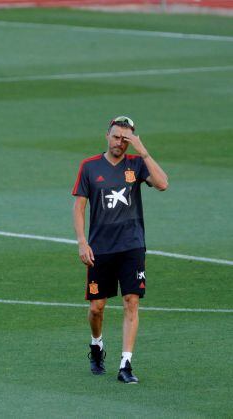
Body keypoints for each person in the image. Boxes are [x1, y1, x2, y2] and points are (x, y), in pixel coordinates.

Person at [71, 116, 169, 384]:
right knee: (97, 308)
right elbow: (79, 207)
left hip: (132, 246)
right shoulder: (89, 167)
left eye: (126, 139)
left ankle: (126, 364)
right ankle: (96, 344)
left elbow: (162, 184)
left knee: (131, 301)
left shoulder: (136, 165)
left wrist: (143, 150)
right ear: (107, 135)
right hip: (100, 248)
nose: (120, 143)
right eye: (116, 137)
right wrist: (82, 241)